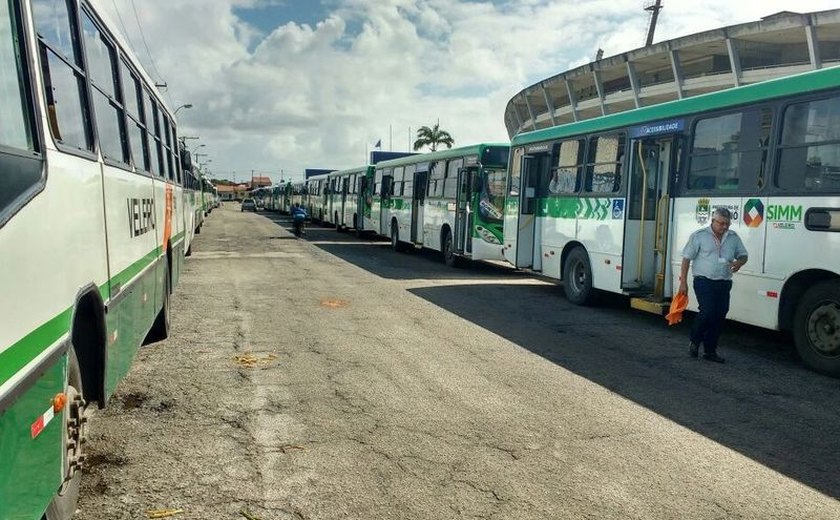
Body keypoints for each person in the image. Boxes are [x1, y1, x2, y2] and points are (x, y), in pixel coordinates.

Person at [678, 207, 748, 363]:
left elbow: (743, 254)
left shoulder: (733, 237)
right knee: (708, 311)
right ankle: (695, 341)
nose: (724, 227)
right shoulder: (699, 236)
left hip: (724, 282)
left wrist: (740, 262)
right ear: (713, 221)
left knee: (719, 315)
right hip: (704, 280)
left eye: (727, 224)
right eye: (721, 223)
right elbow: (686, 259)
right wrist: (683, 282)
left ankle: (710, 351)